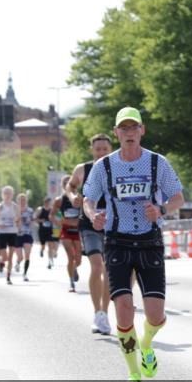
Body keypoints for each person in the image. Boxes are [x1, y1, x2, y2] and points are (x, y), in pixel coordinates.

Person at [83, 107, 184, 382]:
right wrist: (93, 216)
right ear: (116, 133)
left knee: (156, 316)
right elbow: (87, 199)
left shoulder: (157, 163)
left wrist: (162, 209)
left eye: (133, 128)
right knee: (124, 313)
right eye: (123, 128)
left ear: (142, 130)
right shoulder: (104, 166)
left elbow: (178, 197)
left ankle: (148, 344)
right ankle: (134, 374)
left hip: (149, 242)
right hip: (117, 242)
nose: (128, 133)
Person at [70, 133, 114, 335]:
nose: (102, 152)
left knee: (108, 271)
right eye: (98, 149)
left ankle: (104, 313)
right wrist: (73, 197)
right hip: (89, 224)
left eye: (105, 149)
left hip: (114, 224)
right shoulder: (83, 169)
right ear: (92, 150)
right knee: (97, 266)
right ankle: (97, 312)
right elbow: (70, 185)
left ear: (111, 149)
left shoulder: (119, 166)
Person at [54, 175, 83, 292]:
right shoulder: (59, 200)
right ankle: (72, 283)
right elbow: (52, 214)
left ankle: (75, 268)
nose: (68, 184)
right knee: (70, 257)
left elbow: (86, 210)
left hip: (77, 231)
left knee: (79, 260)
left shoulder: (79, 198)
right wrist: (58, 220)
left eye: (69, 182)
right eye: (65, 182)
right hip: (65, 230)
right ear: (63, 186)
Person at [0, 186, 20, 284]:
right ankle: (1, 261)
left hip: (12, 232)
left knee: (11, 256)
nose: (7, 195)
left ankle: (8, 277)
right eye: (5, 193)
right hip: (2, 232)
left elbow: (18, 218)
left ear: (12, 194)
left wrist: (16, 222)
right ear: (2, 195)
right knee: (4, 256)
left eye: (9, 193)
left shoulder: (15, 206)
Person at [15, 193, 35, 281]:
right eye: (20, 200)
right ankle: (18, 263)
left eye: (24, 200)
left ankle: (25, 274)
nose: (22, 201)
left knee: (27, 256)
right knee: (20, 257)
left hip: (27, 234)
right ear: (17, 201)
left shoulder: (30, 210)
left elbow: (32, 221)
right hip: (17, 235)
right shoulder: (14, 210)